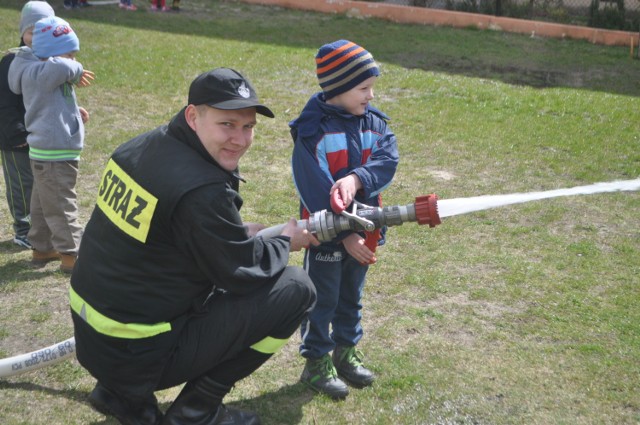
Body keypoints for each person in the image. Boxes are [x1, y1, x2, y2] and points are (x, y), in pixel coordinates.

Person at [69, 68, 319, 425]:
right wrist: (284, 241)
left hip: (95, 341)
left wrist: (229, 232)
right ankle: (196, 411)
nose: (240, 139)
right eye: (227, 124)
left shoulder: (138, 147)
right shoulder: (201, 191)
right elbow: (242, 274)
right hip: (140, 351)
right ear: (193, 116)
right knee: (296, 289)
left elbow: (156, 241)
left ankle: (119, 394)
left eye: (248, 127)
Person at [289, 39, 399, 399]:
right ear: (337, 88)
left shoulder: (375, 124)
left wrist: (356, 179)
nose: (370, 95)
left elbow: (387, 161)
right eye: (363, 88)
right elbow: (316, 190)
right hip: (326, 236)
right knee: (323, 298)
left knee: (352, 294)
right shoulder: (312, 132)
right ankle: (317, 361)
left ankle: (346, 352)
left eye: (372, 87)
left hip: (366, 232)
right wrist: (344, 235)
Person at [8, 16, 94, 273]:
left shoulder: (43, 71)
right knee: (61, 202)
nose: (73, 60)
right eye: (69, 53)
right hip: (54, 151)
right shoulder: (41, 71)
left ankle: (43, 248)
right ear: (51, 52)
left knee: (43, 202)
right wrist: (74, 67)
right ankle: (73, 254)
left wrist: (73, 112)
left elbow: (51, 100)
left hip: (49, 149)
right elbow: (59, 69)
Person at [0, 1, 55, 250]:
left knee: (43, 184)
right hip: (16, 139)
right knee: (22, 186)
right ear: (22, 32)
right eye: (32, 31)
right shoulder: (11, 62)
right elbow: (5, 102)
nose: (36, 38)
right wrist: (16, 134)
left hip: (42, 136)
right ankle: (23, 230)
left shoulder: (53, 62)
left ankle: (42, 228)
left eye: (44, 31)